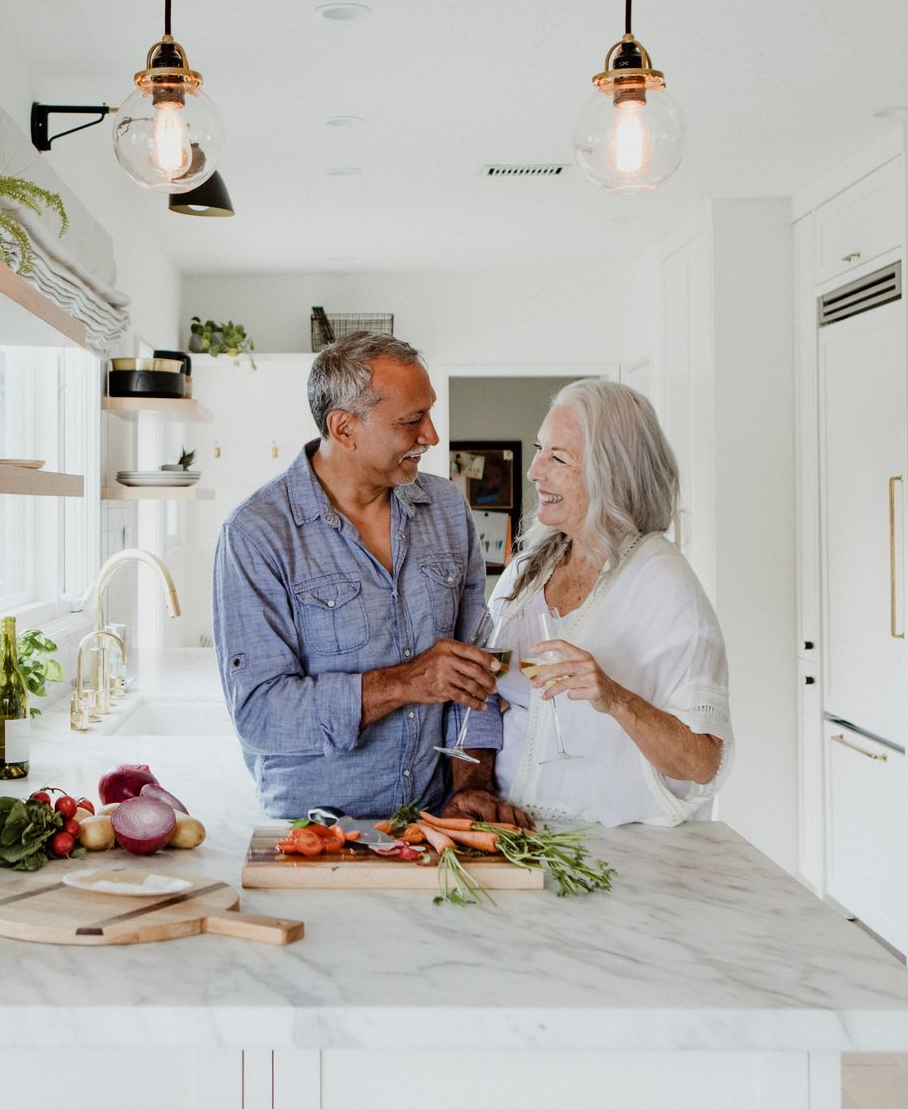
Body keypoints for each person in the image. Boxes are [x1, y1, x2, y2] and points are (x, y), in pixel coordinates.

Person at [212, 333, 530, 824]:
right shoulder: (257, 534)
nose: (432, 436)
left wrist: (473, 784)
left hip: (433, 821)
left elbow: (476, 673)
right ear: (343, 428)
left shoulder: (446, 510)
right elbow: (262, 715)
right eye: (411, 421)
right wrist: (407, 682)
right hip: (316, 831)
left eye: (429, 413)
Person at [488, 379, 732, 827]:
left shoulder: (663, 583)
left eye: (558, 458)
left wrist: (614, 697)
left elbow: (702, 763)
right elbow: (500, 698)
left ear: (611, 473)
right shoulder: (525, 571)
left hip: (610, 854)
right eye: (540, 448)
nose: (534, 470)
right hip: (511, 836)